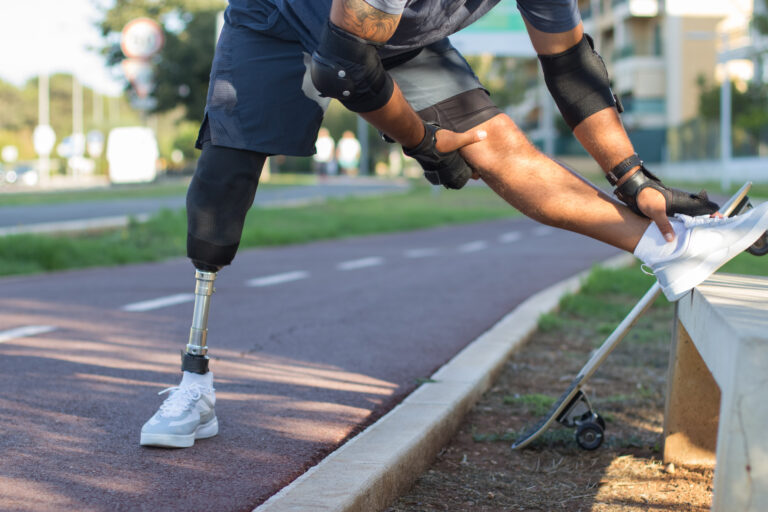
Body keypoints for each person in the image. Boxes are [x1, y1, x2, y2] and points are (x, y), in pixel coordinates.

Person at [139, 0, 768, 448]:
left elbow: (571, 67)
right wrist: (423, 139)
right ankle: (193, 384)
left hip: (390, 40)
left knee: (496, 142)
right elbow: (341, 71)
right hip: (276, 18)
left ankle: (667, 248)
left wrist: (633, 177)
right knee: (223, 183)